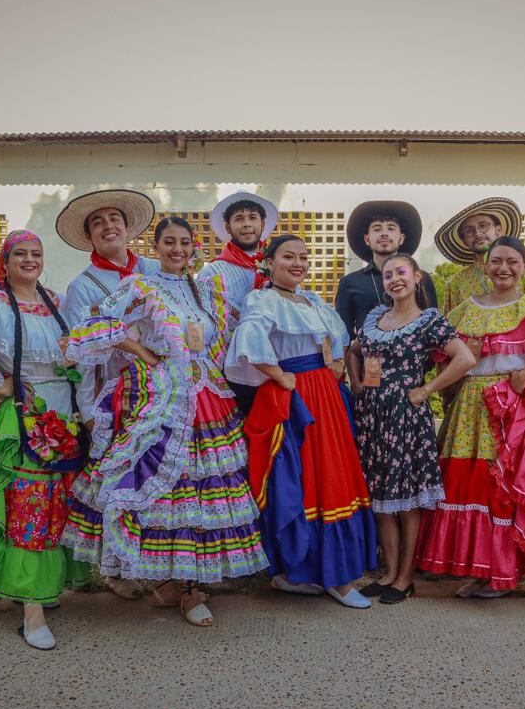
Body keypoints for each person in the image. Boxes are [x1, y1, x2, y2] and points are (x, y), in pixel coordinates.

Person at [63, 217, 268, 627]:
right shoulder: (142, 285)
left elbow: (226, 334)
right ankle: (178, 587)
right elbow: (97, 322)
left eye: (185, 243)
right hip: (162, 396)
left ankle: (186, 586)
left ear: (194, 248)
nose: (178, 249)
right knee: (167, 492)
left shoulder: (205, 290)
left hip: (208, 396)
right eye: (169, 242)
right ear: (155, 247)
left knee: (199, 494)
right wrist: (143, 352)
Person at [415, 237, 525, 598]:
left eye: (512, 261)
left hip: (511, 406)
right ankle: (480, 569)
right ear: (486, 266)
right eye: (496, 261)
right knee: (470, 482)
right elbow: (443, 357)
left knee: (505, 485)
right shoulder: (464, 310)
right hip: (469, 405)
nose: (503, 268)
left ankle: (503, 570)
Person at [0, 230, 90, 650]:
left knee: (57, 505)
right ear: (4, 263)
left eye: (36, 254)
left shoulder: (57, 304)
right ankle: (31, 610)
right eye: (19, 254)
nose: (29, 260)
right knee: (29, 509)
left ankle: (41, 586)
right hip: (21, 419)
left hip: (63, 417)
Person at [226, 235, 377, 608]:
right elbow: (249, 341)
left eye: (303, 257)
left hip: (327, 396)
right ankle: (304, 573)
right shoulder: (263, 300)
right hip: (296, 398)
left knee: (333, 476)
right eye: (288, 256)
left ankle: (333, 574)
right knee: (304, 480)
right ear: (269, 263)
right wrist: (279, 375)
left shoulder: (314, 301)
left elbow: (338, 341)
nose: (298, 263)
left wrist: (337, 363)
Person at [350, 253, 474, 604]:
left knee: (406, 501)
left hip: (406, 416)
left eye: (401, 272)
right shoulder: (375, 317)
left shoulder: (428, 320)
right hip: (372, 416)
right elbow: (355, 350)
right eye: (388, 274)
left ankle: (405, 577)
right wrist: (357, 382)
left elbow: (465, 358)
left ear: (417, 276)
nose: (395, 279)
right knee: (381, 499)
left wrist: (426, 390)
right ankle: (389, 573)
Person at [56, 188, 159, 602]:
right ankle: (115, 570)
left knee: (156, 481)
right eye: (97, 222)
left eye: (114, 218)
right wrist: (88, 412)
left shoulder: (154, 269)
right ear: (90, 237)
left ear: (127, 228)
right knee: (116, 486)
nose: (108, 226)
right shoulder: (83, 287)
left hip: (161, 390)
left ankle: (158, 563)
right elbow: (81, 357)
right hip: (114, 398)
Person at [199, 191, 280, 414]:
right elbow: (205, 321)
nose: (246, 224)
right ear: (228, 227)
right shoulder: (212, 272)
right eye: (239, 219)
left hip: (278, 361)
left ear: (263, 224)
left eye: (252, 217)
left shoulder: (278, 264)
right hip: (232, 366)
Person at [333, 201, 439, 341]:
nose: (384, 233)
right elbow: (343, 335)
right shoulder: (350, 283)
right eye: (377, 229)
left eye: (391, 228)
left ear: (401, 238)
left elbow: (433, 324)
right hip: (367, 353)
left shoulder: (421, 278)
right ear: (367, 239)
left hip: (416, 353)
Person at [433, 198, 525, 314]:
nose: (478, 233)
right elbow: (450, 324)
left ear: (498, 230)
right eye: (469, 231)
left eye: (483, 226)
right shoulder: (456, 285)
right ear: (463, 241)